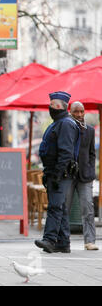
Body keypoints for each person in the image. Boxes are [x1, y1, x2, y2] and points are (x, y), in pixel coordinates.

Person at [35, 91, 81, 253]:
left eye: (54, 105)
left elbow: (66, 152)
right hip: (55, 171)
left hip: (60, 173)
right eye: (50, 104)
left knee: (55, 207)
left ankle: (49, 239)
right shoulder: (58, 123)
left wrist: (57, 174)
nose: (50, 107)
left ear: (62, 106)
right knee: (59, 207)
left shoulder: (65, 124)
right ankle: (63, 242)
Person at [66, 101, 98, 250]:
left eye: (81, 111)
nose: (79, 115)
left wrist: (91, 169)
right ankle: (63, 239)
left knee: (88, 208)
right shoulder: (66, 129)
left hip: (85, 175)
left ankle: (89, 241)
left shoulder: (90, 130)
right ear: (70, 112)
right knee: (64, 207)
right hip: (68, 174)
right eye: (76, 112)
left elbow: (92, 153)